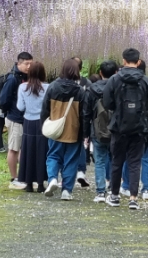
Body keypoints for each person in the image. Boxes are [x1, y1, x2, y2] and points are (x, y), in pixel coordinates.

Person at [103, 48, 148, 210]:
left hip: (118, 127)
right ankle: (133, 198)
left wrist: (119, 110)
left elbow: (106, 103)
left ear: (123, 61)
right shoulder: (146, 81)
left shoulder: (114, 79)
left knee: (117, 161)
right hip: (139, 127)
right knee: (134, 163)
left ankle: (114, 196)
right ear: (138, 62)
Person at [41, 59, 87, 201]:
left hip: (56, 129)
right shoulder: (80, 91)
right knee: (71, 161)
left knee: (53, 156)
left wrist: (44, 124)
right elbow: (85, 115)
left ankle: (53, 179)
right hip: (73, 131)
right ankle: (66, 190)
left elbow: (45, 109)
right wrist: (85, 133)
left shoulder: (53, 87)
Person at [120, 60, 148, 200]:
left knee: (130, 157)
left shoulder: (125, 86)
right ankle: (146, 190)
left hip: (133, 128)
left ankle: (126, 186)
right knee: (147, 159)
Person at [83, 60, 118, 202]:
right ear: (116, 72)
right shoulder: (119, 87)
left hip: (97, 129)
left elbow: (86, 113)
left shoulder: (92, 89)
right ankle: (113, 190)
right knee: (115, 159)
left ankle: (100, 192)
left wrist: (85, 133)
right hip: (116, 128)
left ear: (100, 73)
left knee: (100, 161)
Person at [0, 52, 33, 189]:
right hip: (15, 118)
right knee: (13, 148)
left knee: (22, 149)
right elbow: (3, 100)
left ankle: (23, 176)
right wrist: (11, 112)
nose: (29, 66)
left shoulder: (25, 77)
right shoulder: (13, 79)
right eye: (26, 63)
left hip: (24, 118)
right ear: (19, 63)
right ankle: (14, 178)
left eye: (31, 63)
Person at [16, 61, 49, 193]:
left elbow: (20, 107)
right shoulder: (48, 87)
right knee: (42, 152)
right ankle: (41, 183)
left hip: (28, 122)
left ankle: (28, 183)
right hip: (42, 122)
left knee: (28, 151)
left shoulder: (23, 87)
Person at [72, 56, 92, 188]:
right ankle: (80, 172)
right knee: (81, 146)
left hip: (67, 121)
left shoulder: (61, 83)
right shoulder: (87, 83)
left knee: (66, 147)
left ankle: (68, 175)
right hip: (82, 119)